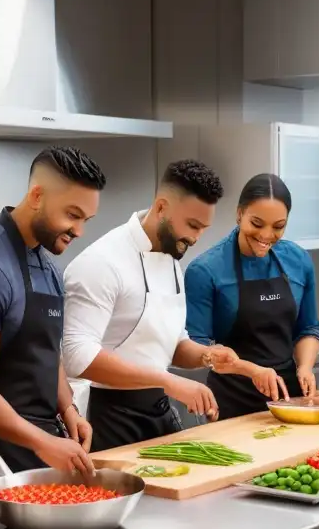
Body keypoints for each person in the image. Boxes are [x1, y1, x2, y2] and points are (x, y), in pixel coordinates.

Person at [0, 146, 101, 498]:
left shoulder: (47, 265)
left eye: (87, 219)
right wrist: (42, 442)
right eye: (73, 215)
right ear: (37, 195)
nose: (79, 230)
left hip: (39, 459)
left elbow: (44, 348)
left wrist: (67, 408)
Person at [63, 160, 238, 451]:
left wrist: (207, 355)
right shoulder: (101, 263)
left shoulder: (171, 258)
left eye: (203, 228)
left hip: (156, 409)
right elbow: (76, 355)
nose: (196, 238)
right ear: (161, 207)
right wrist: (168, 381)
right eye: (192, 225)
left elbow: (171, 342)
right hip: (106, 416)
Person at [184, 174, 319, 418]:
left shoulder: (298, 260)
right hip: (231, 400)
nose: (267, 236)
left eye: (278, 226)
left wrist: (305, 367)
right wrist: (249, 369)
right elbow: (197, 346)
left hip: (289, 397)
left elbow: (309, 328)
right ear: (239, 214)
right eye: (257, 224)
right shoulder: (205, 270)